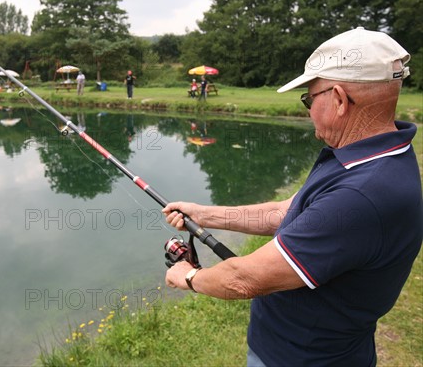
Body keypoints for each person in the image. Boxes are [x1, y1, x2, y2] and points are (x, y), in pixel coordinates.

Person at [162, 27, 422, 366]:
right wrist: (203, 214)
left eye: (309, 99)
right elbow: (285, 213)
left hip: (302, 358)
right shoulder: (366, 157)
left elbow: (245, 279)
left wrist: (188, 276)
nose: (308, 110)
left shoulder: (361, 194)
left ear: (340, 100)